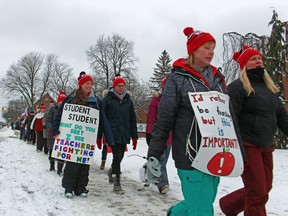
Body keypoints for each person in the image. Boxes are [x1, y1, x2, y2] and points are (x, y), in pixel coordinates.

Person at [147, 26, 237, 216]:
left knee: (200, 202)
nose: (211, 52)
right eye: (206, 47)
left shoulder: (218, 79)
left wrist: (239, 152)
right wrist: (154, 152)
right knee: (203, 210)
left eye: (213, 48)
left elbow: (229, 118)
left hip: (215, 153)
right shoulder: (177, 78)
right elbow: (164, 118)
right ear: (193, 50)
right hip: (190, 154)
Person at [219, 45, 288, 216]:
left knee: (265, 187)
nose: (258, 61)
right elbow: (230, 118)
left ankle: (228, 206)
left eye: (259, 58)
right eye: (253, 59)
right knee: (257, 192)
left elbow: (282, 116)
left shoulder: (270, 89)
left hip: (266, 145)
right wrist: (237, 148)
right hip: (248, 145)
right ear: (244, 65)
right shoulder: (238, 87)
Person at [52, 71, 114, 198]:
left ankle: (81, 188)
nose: (89, 86)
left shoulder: (96, 101)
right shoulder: (70, 98)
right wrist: (55, 129)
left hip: (87, 138)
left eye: (91, 83)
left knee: (85, 164)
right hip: (72, 138)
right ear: (80, 85)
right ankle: (68, 188)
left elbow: (103, 120)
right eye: (87, 83)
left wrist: (109, 139)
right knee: (72, 163)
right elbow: (60, 114)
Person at [103, 74, 138, 195]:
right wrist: (100, 135)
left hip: (125, 132)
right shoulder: (108, 99)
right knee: (116, 155)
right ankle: (117, 182)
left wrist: (135, 137)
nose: (121, 88)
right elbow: (103, 118)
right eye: (119, 86)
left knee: (120, 156)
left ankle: (112, 170)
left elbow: (132, 119)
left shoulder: (128, 101)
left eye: (123, 86)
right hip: (112, 133)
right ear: (114, 86)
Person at [146, 76, 172, 194]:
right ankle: (163, 184)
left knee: (163, 161)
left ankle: (151, 173)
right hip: (158, 136)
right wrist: (150, 134)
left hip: (169, 137)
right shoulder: (155, 102)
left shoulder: (174, 101)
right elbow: (151, 119)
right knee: (161, 161)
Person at [45, 91, 66, 174]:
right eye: (61, 101)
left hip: (63, 133)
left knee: (61, 151)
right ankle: (52, 165)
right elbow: (49, 120)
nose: (62, 103)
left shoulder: (67, 110)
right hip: (53, 133)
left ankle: (60, 169)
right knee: (52, 149)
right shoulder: (52, 109)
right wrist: (51, 130)